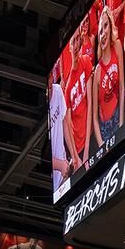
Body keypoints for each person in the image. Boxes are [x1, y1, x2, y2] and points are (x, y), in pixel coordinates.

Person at [90, 7, 125, 147]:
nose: (103, 33)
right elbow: (94, 118)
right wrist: (101, 146)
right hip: (105, 127)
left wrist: (122, 122)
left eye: (106, 26)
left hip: (118, 113)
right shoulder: (97, 72)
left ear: (111, 27)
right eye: (100, 30)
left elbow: (122, 86)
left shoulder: (117, 46)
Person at [63, 28, 93, 172]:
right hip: (76, 149)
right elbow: (68, 125)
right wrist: (76, 157)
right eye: (72, 42)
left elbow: (90, 103)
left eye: (77, 40)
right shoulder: (68, 88)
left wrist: (87, 149)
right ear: (69, 47)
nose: (75, 46)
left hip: (89, 138)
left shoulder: (86, 62)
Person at [48, 65, 77, 194]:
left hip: (63, 168)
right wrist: (59, 165)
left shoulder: (58, 91)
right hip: (52, 178)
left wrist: (74, 156)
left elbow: (65, 123)